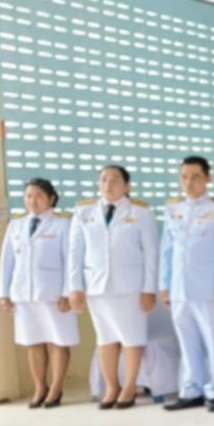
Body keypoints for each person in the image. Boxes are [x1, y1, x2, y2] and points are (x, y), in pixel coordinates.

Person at [66, 165, 159, 409]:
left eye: (115, 180)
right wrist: (74, 288)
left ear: (127, 186)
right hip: (97, 286)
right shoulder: (83, 212)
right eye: (104, 180)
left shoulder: (141, 213)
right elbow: (75, 252)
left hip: (131, 287)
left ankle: (129, 387)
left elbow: (152, 254)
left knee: (132, 338)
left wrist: (149, 289)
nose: (109, 184)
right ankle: (111, 387)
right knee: (105, 338)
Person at [159, 156, 214, 412]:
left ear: (208, 178)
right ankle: (191, 389)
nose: (189, 182)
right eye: (184, 177)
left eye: (195, 176)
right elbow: (166, 251)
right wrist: (165, 285)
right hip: (180, 288)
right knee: (187, 340)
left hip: (208, 288)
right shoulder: (173, 209)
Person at [0, 178, 78, 408]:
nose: (32, 200)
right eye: (28, 196)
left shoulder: (63, 225)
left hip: (54, 294)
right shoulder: (16, 225)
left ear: (51, 198)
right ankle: (40, 387)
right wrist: (4, 293)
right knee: (32, 341)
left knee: (59, 341)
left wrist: (68, 292)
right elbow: (7, 262)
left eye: (38, 196)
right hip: (23, 293)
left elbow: (70, 261)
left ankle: (56, 387)